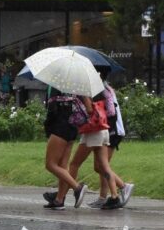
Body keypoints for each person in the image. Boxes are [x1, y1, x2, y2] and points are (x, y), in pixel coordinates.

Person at [68, 75, 134, 208]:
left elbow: (90, 109)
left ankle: (64, 194)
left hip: (97, 130)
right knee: (101, 166)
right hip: (103, 129)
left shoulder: (90, 88)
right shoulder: (103, 87)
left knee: (77, 164)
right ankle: (112, 195)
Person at [42, 87, 89, 209]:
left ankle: (77, 188)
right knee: (63, 166)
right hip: (73, 126)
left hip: (60, 126)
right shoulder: (74, 85)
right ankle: (59, 200)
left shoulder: (56, 85)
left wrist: (48, 128)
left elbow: (52, 109)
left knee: (50, 164)